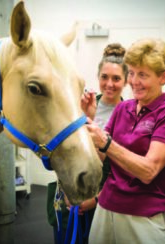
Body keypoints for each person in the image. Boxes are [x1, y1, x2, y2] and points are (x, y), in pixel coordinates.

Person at [85, 38, 165, 244]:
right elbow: (99, 157)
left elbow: (148, 171)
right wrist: (88, 119)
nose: (134, 81)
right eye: (131, 73)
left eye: (143, 74)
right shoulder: (124, 108)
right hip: (107, 207)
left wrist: (106, 143)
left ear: (163, 77)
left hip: (145, 215)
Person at [46, 43, 128, 244]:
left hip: (105, 201)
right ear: (98, 77)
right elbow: (65, 152)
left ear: (126, 80)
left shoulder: (129, 115)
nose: (109, 84)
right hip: (69, 194)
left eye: (116, 78)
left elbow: (123, 169)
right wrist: (68, 191)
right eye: (104, 77)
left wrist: (97, 199)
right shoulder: (81, 105)